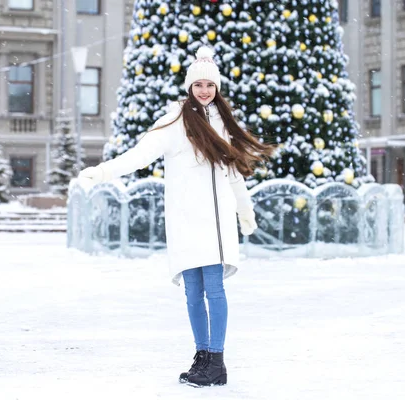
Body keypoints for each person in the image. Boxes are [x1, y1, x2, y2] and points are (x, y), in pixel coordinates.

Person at [78, 46, 274, 387]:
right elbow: (139, 155)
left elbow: (233, 173)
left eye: (209, 85)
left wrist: (244, 208)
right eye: (198, 84)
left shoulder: (223, 123)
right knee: (192, 292)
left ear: (217, 88)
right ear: (188, 87)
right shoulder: (173, 122)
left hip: (215, 223)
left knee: (215, 290)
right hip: (186, 219)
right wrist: (104, 172)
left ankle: (217, 360)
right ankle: (203, 357)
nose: (204, 91)